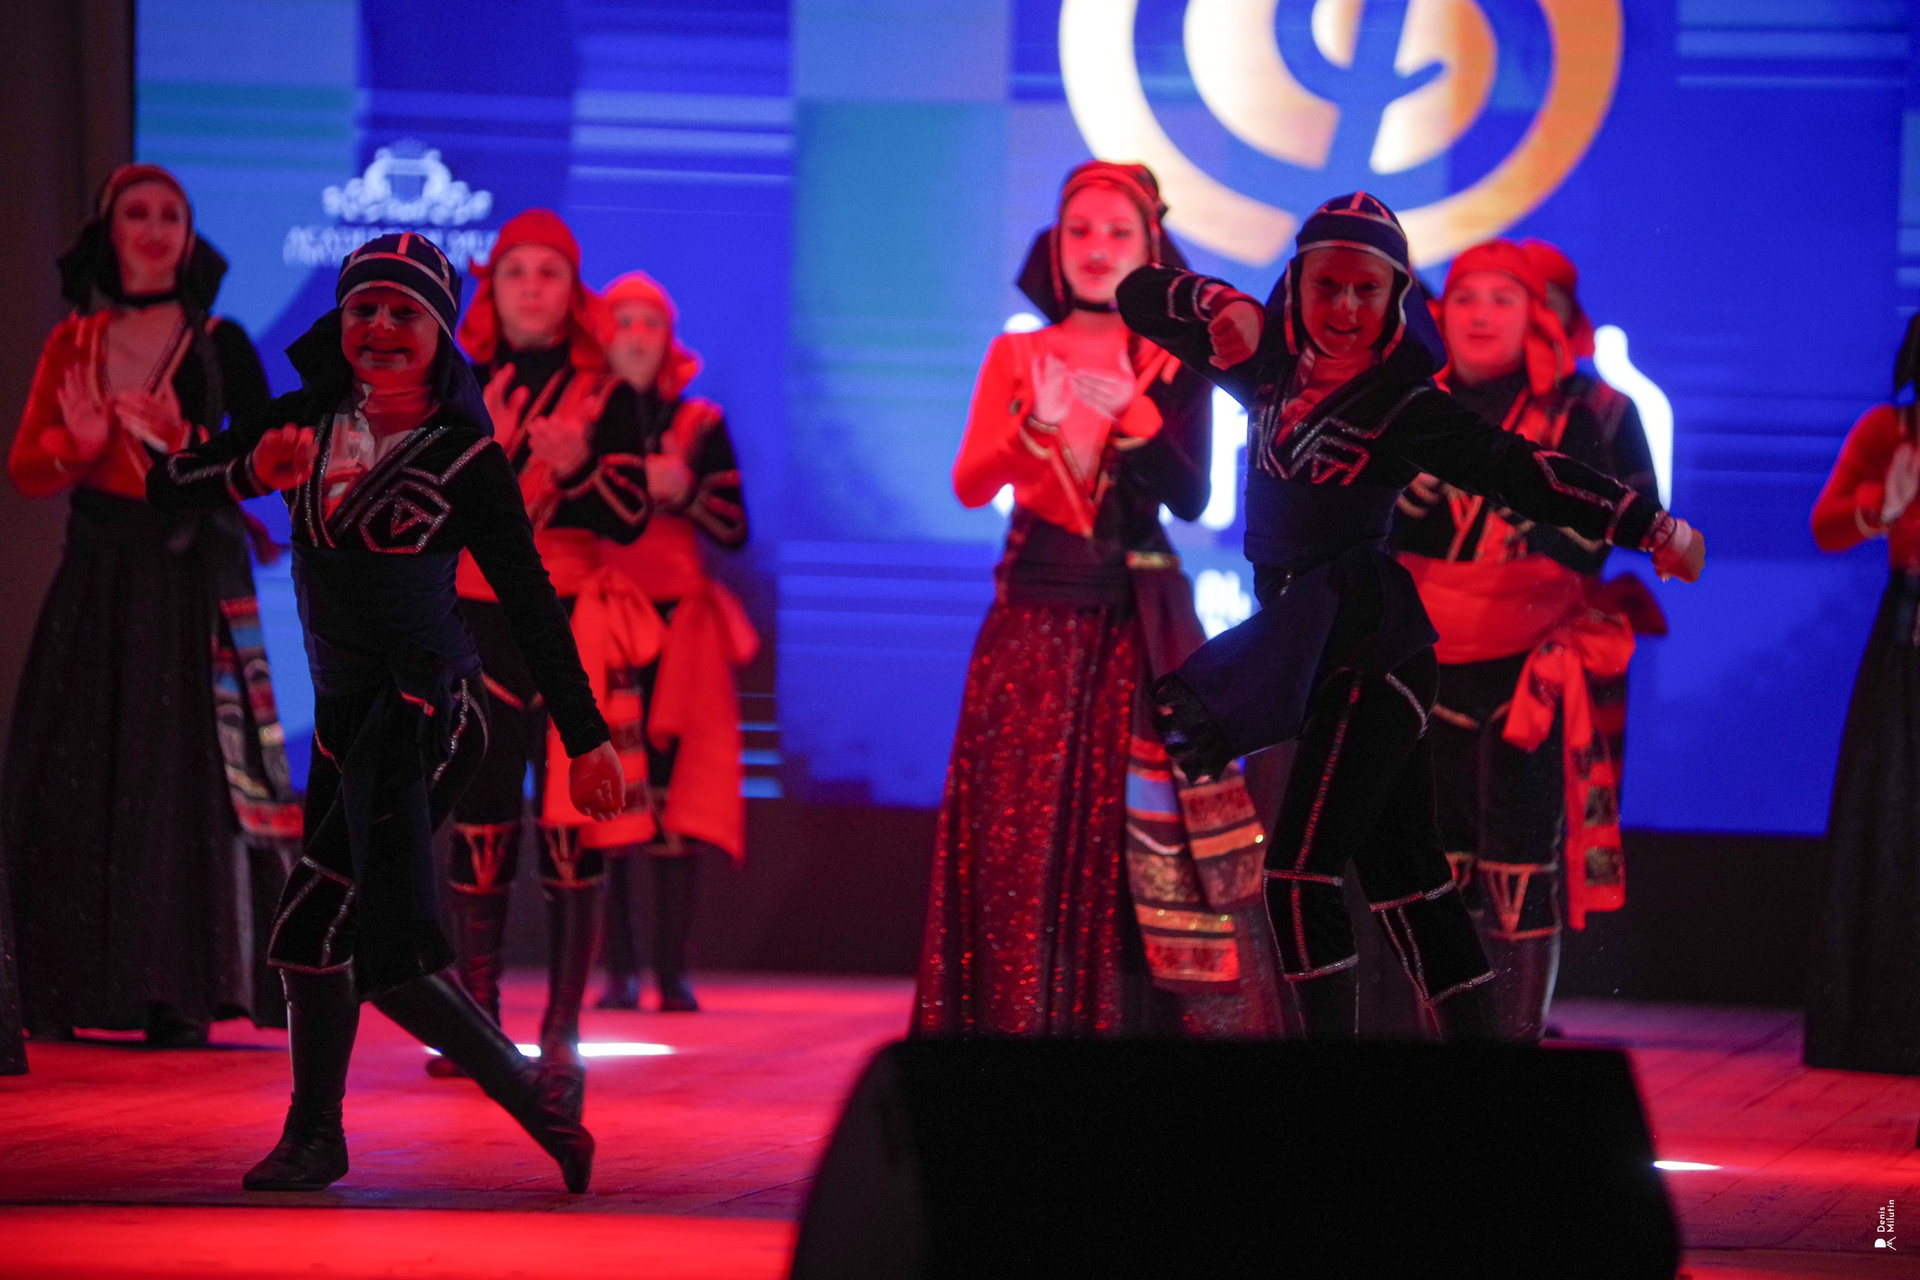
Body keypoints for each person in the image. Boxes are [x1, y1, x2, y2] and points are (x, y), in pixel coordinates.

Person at [1117, 192, 1704, 1041]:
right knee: (1409, 883)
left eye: (1367, 288)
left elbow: (1520, 469)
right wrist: (1221, 304)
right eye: (1328, 286)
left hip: (1373, 655)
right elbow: (1138, 296)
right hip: (1316, 652)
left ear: (1396, 297)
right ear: (1297, 285)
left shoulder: (1402, 406)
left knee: (1298, 878)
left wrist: (1648, 526)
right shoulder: (1265, 371)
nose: (1345, 307)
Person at [147, 232, 625, 1193]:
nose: (380, 327)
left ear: (440, 332)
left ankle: (338, 1133)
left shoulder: (465, 456)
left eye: (405, 312)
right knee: (343, 941)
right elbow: (169, 484)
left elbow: (530, 602)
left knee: (338, 932)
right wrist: (250, 471)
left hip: (425, 717)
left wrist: (587, 739)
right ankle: (498, 1110)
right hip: (344, 725)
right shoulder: (304, 423)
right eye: (363, 308)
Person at [914, 162, 1283, 1039]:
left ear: (1153, 246)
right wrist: (1035, 426)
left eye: (1119, 231)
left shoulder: (1170, 362)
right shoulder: (1016, 354)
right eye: (1079, 229)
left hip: (1136, 627)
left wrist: (1139, 419)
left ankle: (1132, 1027)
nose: (1096, 247)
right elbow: (970, 483)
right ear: (1054, 241)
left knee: (1141, 840)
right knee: (1021, 833)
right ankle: (1016, 1024)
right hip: (1032, 627)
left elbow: (1193, 498)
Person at [4, 164, 299, 1049]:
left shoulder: (222, 345)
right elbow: (26, 469)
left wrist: (189, 443)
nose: (156, 227)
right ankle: (75, 986)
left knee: (187, 785)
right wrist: (78, 443)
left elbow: (271, 464)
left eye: (173, 214)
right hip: (98, 586)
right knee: (77, 774)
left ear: (189, 236)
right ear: (110, 231)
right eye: (138, 212)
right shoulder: (75, 342)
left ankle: (181, 993)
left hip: (189, 590)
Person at [1390, 240, 1660, 1041]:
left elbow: (1612, 532)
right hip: (1423, 659)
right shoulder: (1407, 405)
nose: (1480, 315)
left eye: (1502, 299)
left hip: (1530, 662)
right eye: (1466, 298)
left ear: (1537, 315)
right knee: (1430, 863)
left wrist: (1530, 505)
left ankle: (1510, 1049)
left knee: (1519, 862)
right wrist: (1408, 501)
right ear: (1440, 314)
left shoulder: (1588, 412)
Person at [442, 209, 654, 1075]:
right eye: (515, 271)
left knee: (573, 826)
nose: (531, 286)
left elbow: (632, 518)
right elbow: (421, 517)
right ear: (491, 288)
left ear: (574, 291)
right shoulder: (456, 385)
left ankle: (563, 1029)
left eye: (549, 271)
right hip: (476, 624)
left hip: (572, 627)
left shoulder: (609, 394)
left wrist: (578, 469)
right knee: (480, 820)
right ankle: (478, 1023)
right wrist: (481, 452)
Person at [592, 271, 755, 1015]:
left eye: (649, 322)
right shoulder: (581, 416)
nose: (635, 336)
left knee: (673, 797)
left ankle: (671, 970)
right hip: (603, 620)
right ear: (601, 334)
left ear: (669, 339)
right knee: (609, 795)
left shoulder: (700, 421)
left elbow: (737, 528)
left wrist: (685, 491)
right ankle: (619, 972)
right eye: (621, 321)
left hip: (678, 627)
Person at [1805, 312, 1920, 1075]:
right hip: (1909, 642)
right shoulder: (1892, 429)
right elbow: (1826, 525)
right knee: (1893, 823)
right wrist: (1883, 507)